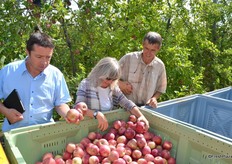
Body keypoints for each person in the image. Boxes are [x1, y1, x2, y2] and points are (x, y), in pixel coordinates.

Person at [0, 31, 79, 132]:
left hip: (44, 134)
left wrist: (68, 114)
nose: (44, 62)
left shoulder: (55, 74)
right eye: (39, 57)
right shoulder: (8, 72)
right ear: (27, 52)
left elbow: (60, 104)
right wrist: (6, 111)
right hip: (13, 133)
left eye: (48, 57)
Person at [74, 57, 149, 131]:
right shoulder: (86, 84)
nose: (110, 82)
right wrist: (96, 114)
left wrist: (141, 116)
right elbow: (78, 108)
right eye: (108, 78)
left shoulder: (113, 87)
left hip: (108, 130)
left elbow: (127, 103)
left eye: (114, 79)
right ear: (101, 72)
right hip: (89, 128)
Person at [118, 31, 167, 108]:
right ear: (142, 45)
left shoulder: (160, 66)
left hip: (145, 108)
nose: (148, 53)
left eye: (153, 50)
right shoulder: (128, 58)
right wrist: (120, 84)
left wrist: (154, 99)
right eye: (146, 48)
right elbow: (109, 78)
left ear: (158, 49)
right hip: (124, 107)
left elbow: (161, 89)